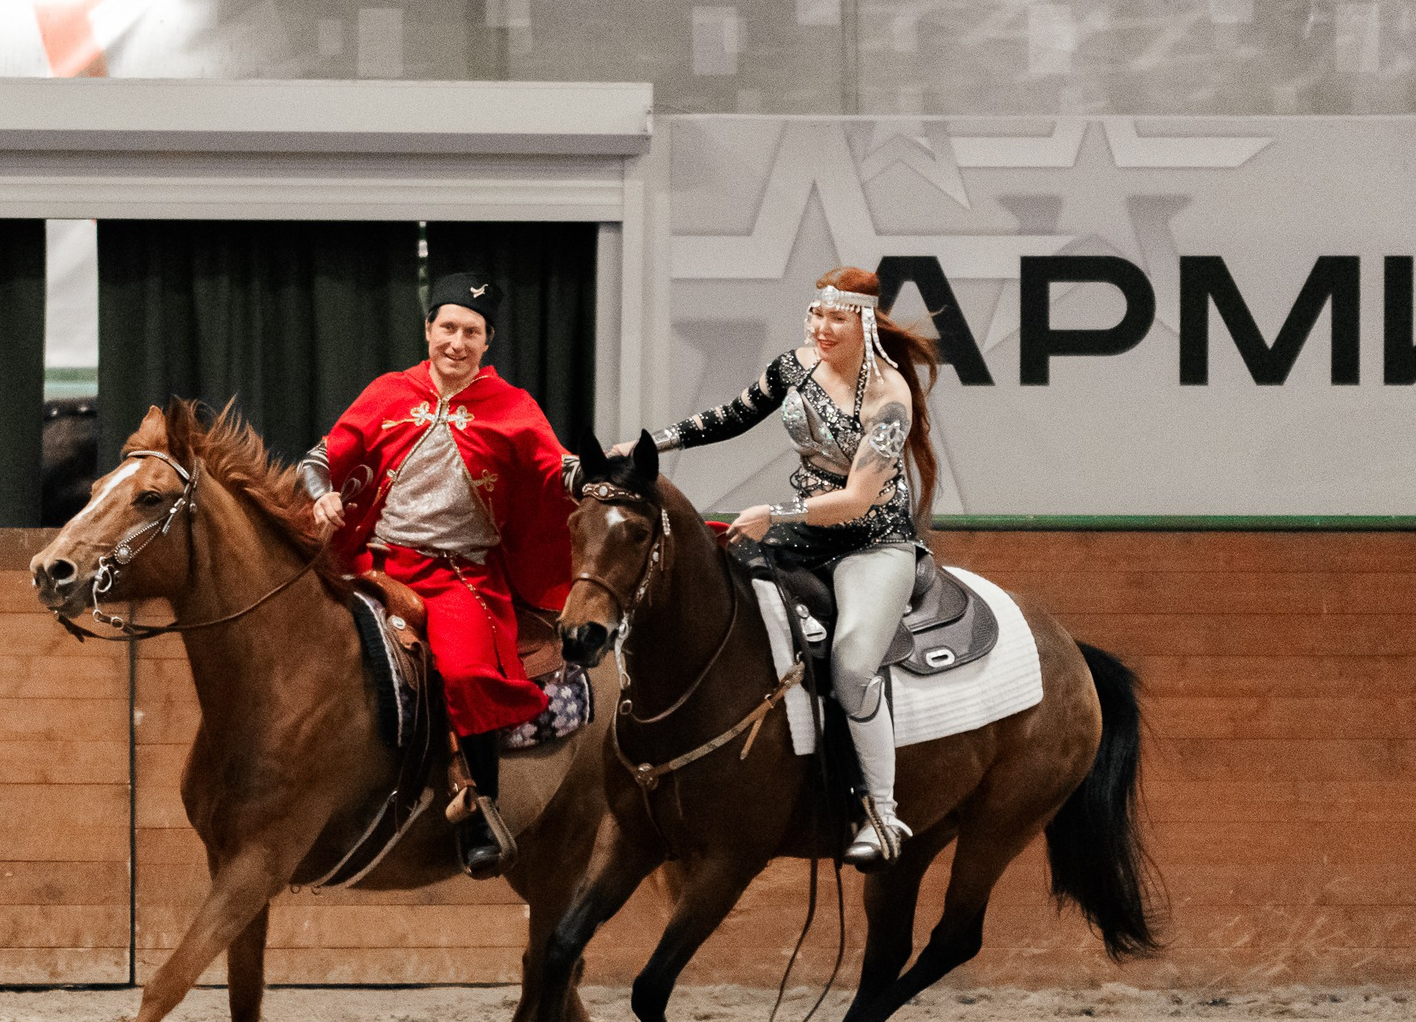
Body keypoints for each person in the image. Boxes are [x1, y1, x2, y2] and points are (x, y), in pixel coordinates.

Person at [630, 265, 941, 869]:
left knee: (852, 667)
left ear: (865, 322)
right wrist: (650, 445)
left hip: (870, 544)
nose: (821, 328)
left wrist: (775, 513)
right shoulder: (794, 366)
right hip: (801, 533)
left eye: (836, 317)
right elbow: (732, 415)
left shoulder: (889, 397)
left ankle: (882, 812)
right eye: (815, 314)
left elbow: (858, 499)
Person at [297, 271, 576, 878]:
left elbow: (557, 470)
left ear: (487, 341)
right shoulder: (389, 391)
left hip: (460, 576)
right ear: (428, 330)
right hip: (376, 561)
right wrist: (320, 494)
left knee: (473, 672)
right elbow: (322, 456)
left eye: (471, 332)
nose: (457, 341)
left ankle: (481, 812)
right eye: (447, 327)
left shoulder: (514, 407)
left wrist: (600, 478)